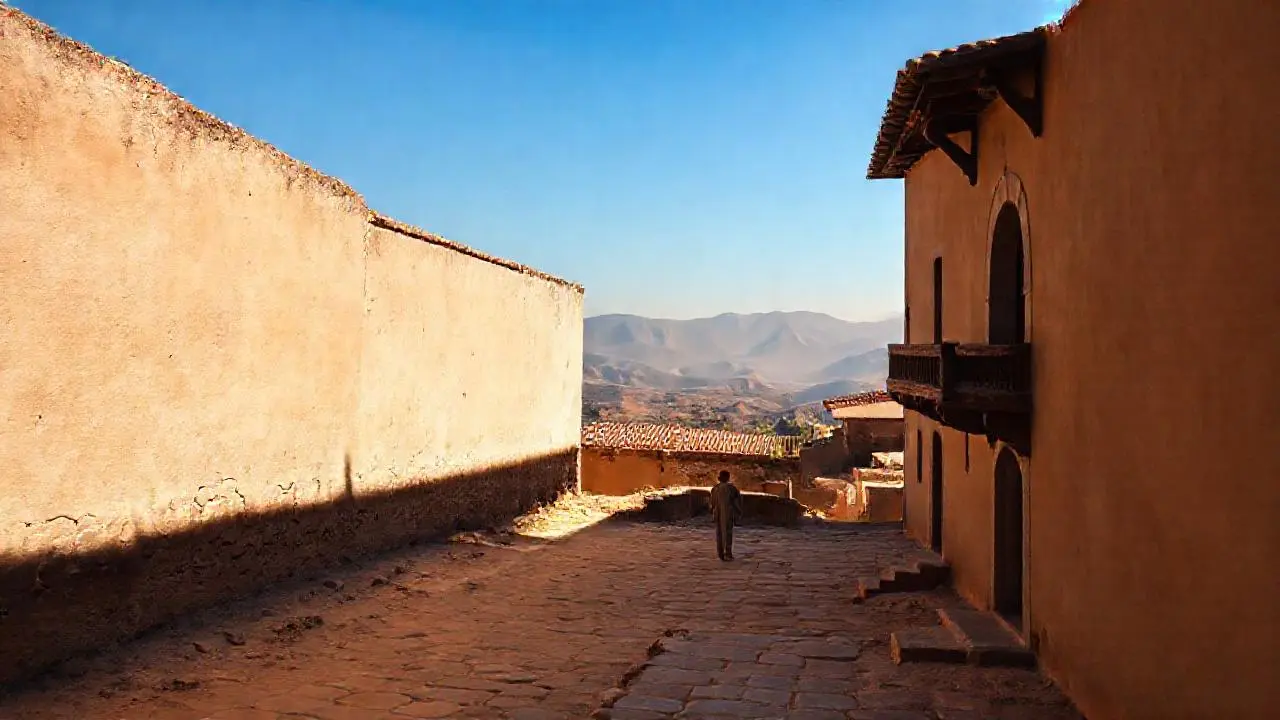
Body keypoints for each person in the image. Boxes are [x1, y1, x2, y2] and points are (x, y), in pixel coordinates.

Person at [710, 470, 743, 561]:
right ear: (728, 478)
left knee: (719, 533)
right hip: (728, 513)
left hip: (718, 514)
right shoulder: (731, 489)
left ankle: (720, 553)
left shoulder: (715, 488)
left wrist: (712, 511)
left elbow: (712, 503)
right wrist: (739, 511)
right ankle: (727, 553)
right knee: (727, 533)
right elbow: (737, 501)